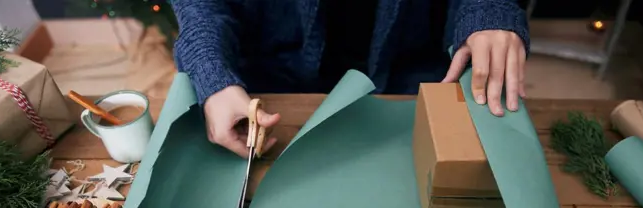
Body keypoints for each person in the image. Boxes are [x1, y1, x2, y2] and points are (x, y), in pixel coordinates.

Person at [172, 0, 530, 158]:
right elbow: (204, 6)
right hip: (270, 91)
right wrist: (211, 72)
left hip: (407, 82)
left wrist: (490, 11)